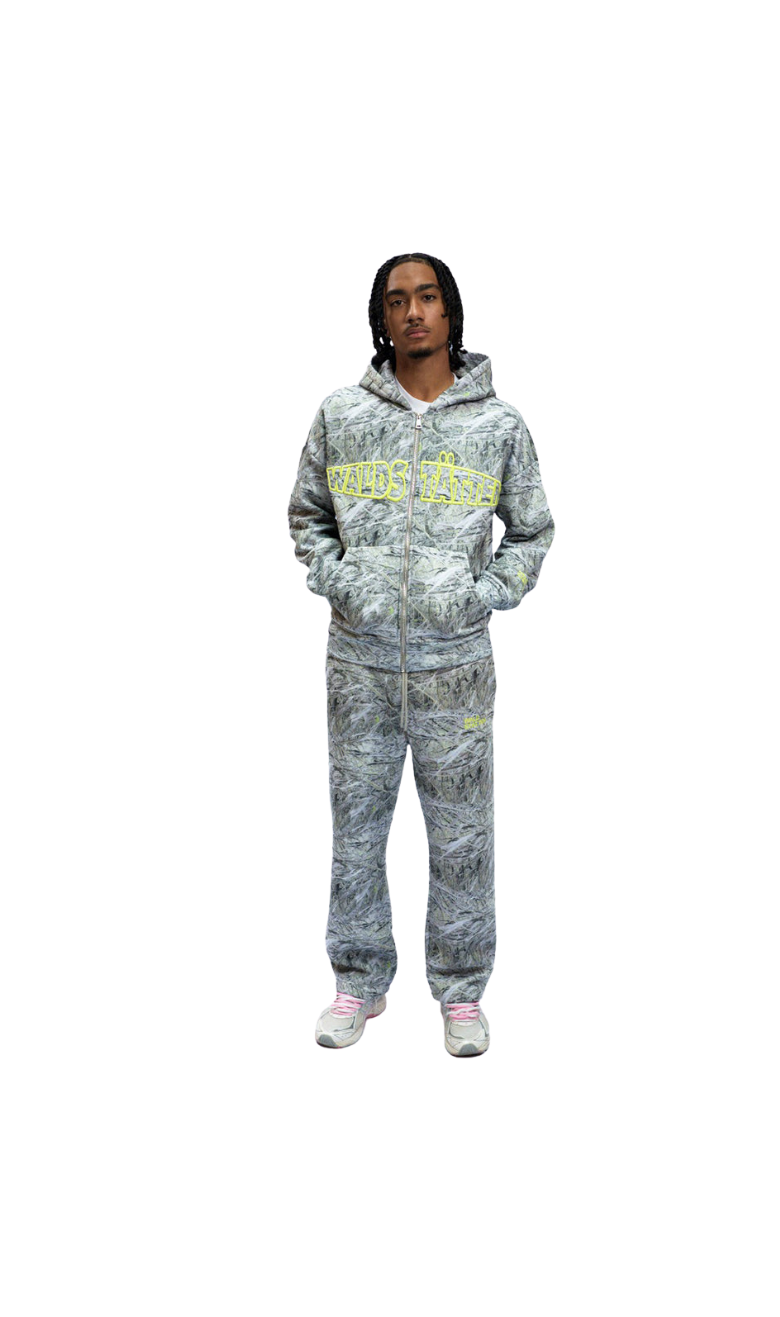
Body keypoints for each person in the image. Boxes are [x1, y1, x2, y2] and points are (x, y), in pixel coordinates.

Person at [286, 251, 556, 1057]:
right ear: (383, 318)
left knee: (464, 835)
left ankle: (462, 993)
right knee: (355, 831)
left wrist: (483, 594)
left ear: (449, 312)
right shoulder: (340, 413)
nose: (413, 312)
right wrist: (340, 584)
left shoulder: (498, 425)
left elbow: (531, 531)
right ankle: (358, 983)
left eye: (428, 297)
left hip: (457, 667)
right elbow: (306, 516)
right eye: (398, 300)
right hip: (357, 664)